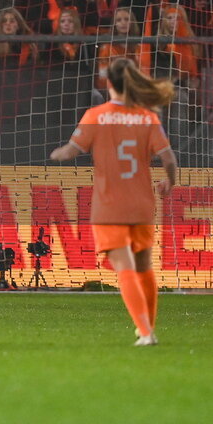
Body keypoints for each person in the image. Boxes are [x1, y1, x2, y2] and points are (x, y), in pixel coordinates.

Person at [50, 57, 177, 346]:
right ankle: (147, 328)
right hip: (142, 204)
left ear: (109, 83)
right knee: (143, 266)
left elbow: (71, 151)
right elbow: (169, 158)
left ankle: (146, 332)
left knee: (125, 268)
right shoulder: (147, 117)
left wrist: (57, 153)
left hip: (110, 206)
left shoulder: (96, 115)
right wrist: (170, 182)